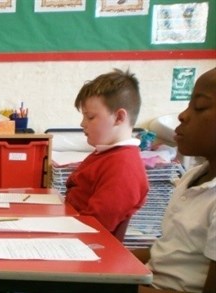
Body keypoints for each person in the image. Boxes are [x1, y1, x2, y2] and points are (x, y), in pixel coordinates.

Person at [133, 68, 216, 293]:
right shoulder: (193, 176)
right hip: (149, 281)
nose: (183, 115)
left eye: (199, 107)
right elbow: (168, 251)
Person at [65, 69, 149, 238]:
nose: (82, 123)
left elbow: (96, 226)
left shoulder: (123, 166)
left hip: (87, 247)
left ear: (119, 118)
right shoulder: (107, 154)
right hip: (72, 229)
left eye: (90, 117)